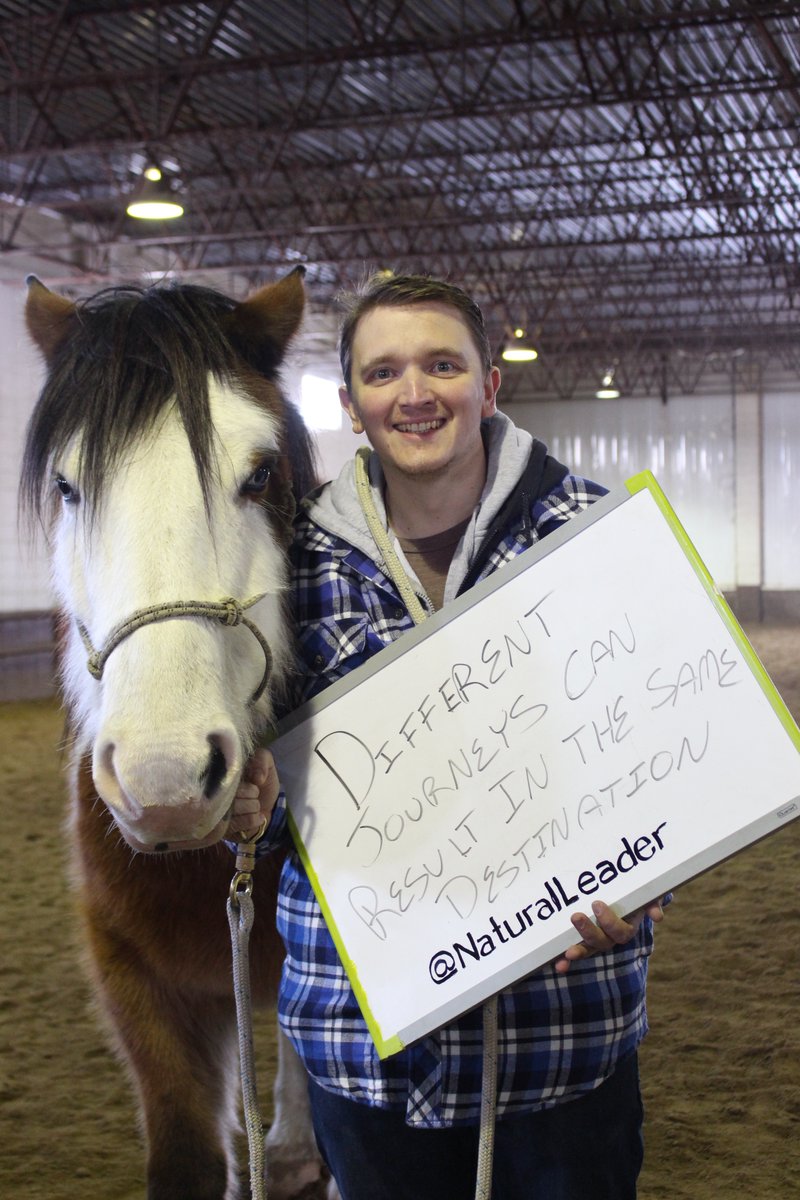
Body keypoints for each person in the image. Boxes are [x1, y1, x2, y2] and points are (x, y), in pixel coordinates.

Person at [235, 273, 665, 1200]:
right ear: (352, 407)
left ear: (488, 386)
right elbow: (276, 810)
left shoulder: (594, 537)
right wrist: (252, 807)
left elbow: (662, 761)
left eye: (442, 364)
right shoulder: (286, 567)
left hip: (565, 1039)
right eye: (384, 373)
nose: (416, 393)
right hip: (363, 1053)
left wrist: (654, 876)